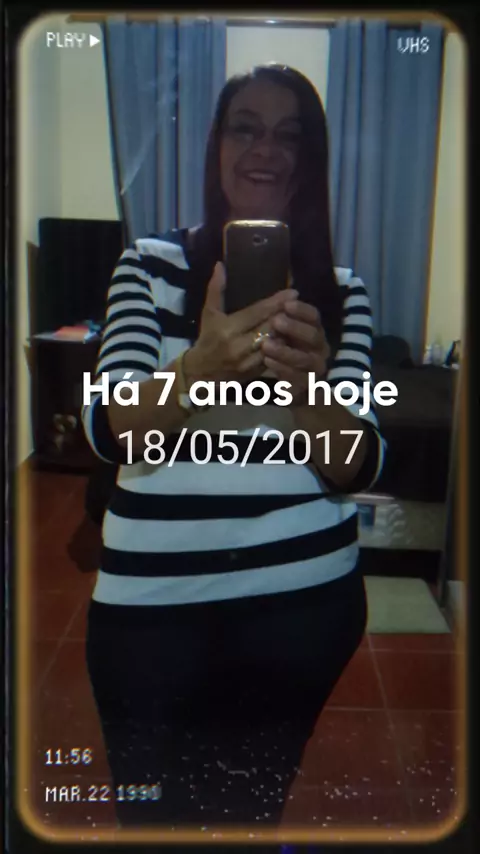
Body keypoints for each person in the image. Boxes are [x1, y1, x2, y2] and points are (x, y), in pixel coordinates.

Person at [82, 63, 386, 829]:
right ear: (216, 144)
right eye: (245, 128)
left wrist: (305, 390)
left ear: (310, 159)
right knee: (151, 818)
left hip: (302, 609)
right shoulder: (147, 265)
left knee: (251, 813)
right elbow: (108, 428)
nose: (266, 150)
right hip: (151, 613)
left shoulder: (342, 290)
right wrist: (197, 368)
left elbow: (357, 464)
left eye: (290, 136)